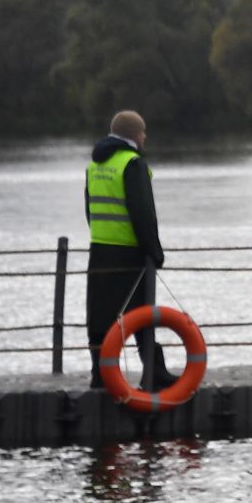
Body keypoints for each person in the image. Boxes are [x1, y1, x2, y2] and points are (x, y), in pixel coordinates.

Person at [84, 110, 170, 390]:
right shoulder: (132, 163)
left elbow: (89, 208)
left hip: (99, 248)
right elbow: (143, 213)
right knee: (141, 312)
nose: (145, 137)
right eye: (143, 133)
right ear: (136, 134)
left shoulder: (94, 165)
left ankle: (99, 374)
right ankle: (155, 372)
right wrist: (154, 251)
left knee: (100, 314)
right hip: (130, 252)